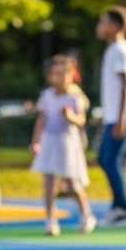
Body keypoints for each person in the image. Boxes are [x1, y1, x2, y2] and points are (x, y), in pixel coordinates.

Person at [31, 55, 97, 237]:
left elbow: (81, 120)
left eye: (64, 74)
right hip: (49, 141)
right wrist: (35, 141)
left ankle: (86, 214)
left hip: (67, 142)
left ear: (71, 76)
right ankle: (50, 220)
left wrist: (70, 117)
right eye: (56, 74)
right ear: (50, 76)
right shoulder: (46, 96)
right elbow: (41, 120)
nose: (60, 78)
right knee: (49, 184)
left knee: (72, 184)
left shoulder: (75, 97)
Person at [95, 6, 126, 227]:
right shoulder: (113, 49)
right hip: (114, 115)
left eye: (103, 22)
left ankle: (123, 208)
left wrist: (121, 118)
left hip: (123, 115)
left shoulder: (120, 50)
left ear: (114, 26)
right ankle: (119, 206)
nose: (99, 27)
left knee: (109, 160)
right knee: (107, 159)